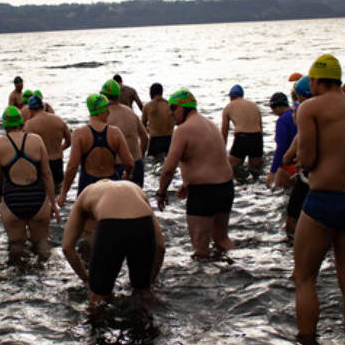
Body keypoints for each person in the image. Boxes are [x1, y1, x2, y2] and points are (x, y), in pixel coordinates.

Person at [292, 54, 345, 339]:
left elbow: (307, 159)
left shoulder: (310, 108)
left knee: (305, 279)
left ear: (315, 81)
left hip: (323, 199)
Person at [156, 89, 235, 258]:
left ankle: (205, 282)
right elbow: (211, 158)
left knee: (200, 247)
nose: (170, 113)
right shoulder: (210, 124)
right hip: (226, 188)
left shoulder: (183, 130)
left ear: (186, 107)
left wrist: (161, 192)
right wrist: (187, 183)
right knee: (222, 239)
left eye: (173, 108)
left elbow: (168, 169)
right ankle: (237, 269)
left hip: (204, 192)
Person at [62, 180, 165, 308]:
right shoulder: (134, 188)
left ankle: (96, 322)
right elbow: (160, 246)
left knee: (98, 297)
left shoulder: (85, 194)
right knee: (143, 293)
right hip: (143, 221)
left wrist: (88, 282)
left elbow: (67, 248)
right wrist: (150, 280)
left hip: (111, 224)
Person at [0, 106, 59, 260]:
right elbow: (47, 174)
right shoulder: (36, 140)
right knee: (42, 245)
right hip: (37, 199)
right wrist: (53, 204)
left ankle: (19, 279)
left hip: (13, 200)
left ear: (4, 125)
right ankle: (47, 278)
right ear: (22, 123)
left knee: (16, 247)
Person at [57, 94, 134, 207]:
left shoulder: (79, 134)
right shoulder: (115, 133)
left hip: (88, 188)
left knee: (86, 223)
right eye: (106, 109)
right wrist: (127, 174)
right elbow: (129, 163)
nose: (109, 112)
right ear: (98, 112)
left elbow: (72, 167)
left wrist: (63, 193)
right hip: (110, 188)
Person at [102, 79, 148, 187]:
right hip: (136, 164)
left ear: (103, 97)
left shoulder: (104, 116)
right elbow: (145, 138)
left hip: (115, 167)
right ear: (118, 96)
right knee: (136, 201)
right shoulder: (130, 112)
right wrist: (140, 157)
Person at [284, 76, 313, 237]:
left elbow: (287, 158)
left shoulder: (306, 116)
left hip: (309, 177)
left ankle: (293, 245)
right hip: (336, 182)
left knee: (292, 220)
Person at [24, 95, 71, 194]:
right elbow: (69, 141)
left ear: (31, 109)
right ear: (42, 106)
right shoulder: (59, 120)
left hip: (41, 164)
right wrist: (59, 149)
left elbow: (26, 148)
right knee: (58, 193)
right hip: (57, 162)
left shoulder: (29, 125)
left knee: (44, 194)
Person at [221, 84, 264, 177]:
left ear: (231, 96)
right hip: (257, 138)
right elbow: (260, 128)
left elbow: (224, 132)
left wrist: (222, 151)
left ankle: (240, 183)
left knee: (230, 170)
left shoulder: (228, 107)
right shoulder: (254, 106)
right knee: (256, 171)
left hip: (242, 138)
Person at [265, 92, 298, 189]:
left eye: (273, 109)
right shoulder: (298, 112)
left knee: (277, 191)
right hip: (304, 163)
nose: (274, 112)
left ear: (278, 107)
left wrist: (272, 172)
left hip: (289, 165)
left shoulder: (282, 120)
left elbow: (281, 148)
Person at [141, 82, 175, 157]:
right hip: (170, 140)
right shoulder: (170, 105)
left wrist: (149, 131)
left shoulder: (148, 106)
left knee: (153, 165)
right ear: (161, 92)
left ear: (151, 93)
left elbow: (142, 124)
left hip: (155, 140)